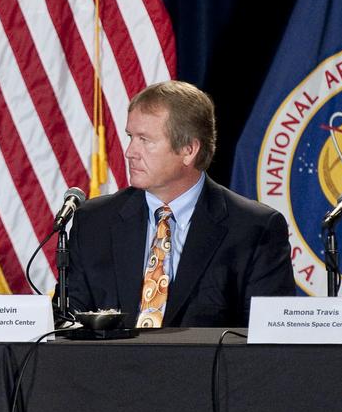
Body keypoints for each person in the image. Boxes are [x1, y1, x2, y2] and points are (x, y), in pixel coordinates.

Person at [68, 80, 296, 328]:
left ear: (189, 150)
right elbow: (67, 328)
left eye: (145, 140)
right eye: (131, 137)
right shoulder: (94, 221)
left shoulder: (254, 229)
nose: (130, 152)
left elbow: (267, 343)